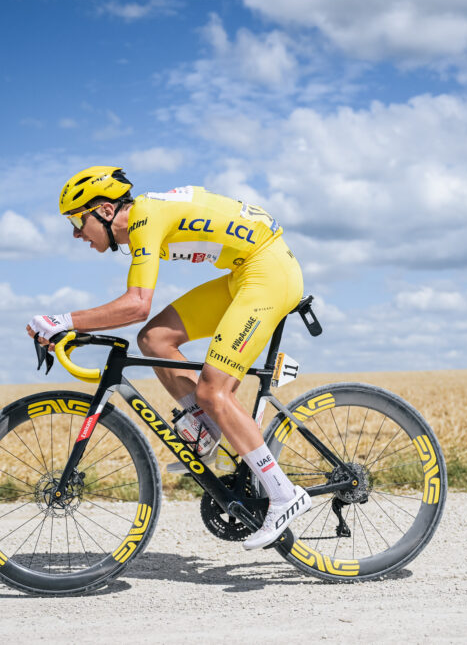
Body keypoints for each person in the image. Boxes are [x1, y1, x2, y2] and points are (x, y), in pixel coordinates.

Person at [26, 165, 310, 550]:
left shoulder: (144, 218)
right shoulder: (145, 218)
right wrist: (68, 327)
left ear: (107, 211)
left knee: (214, 392)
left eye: (78, 221)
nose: (76, 233)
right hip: (246, 272)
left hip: (268, 272)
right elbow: (143, 318)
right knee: (156, 339)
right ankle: (208, 428)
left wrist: (63, 321)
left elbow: (136, 304)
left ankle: (283, 494)